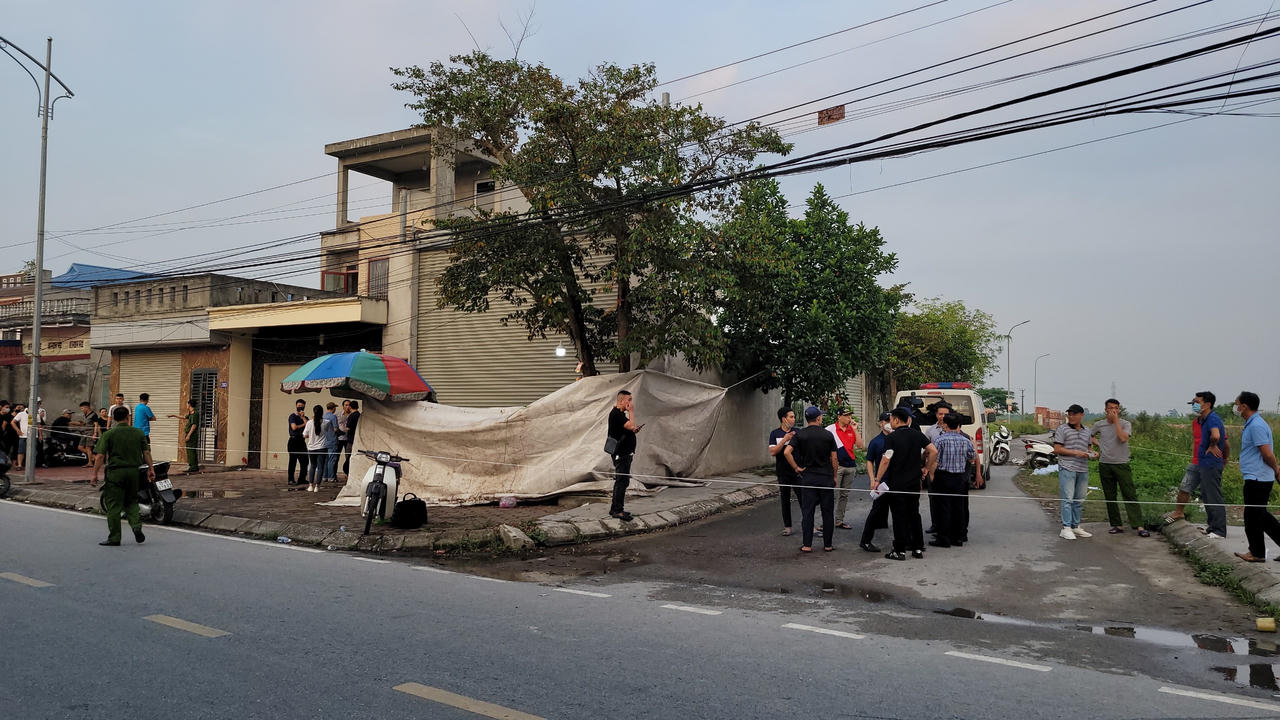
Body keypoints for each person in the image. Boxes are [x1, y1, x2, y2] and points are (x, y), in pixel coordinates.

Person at [873, 407, 937, 560]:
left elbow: (886, 459)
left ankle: (899, 550)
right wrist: (926, 468)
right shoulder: (917, 435)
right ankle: (918, 548)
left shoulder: (891, 438)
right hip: (914, 483)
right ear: (908, 420)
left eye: (891, 420)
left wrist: (877, 479)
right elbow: (933, 451)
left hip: (898, 483)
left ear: (895, 420)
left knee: (899, 516)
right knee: (914, 514)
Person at [90, 406, 154, 546]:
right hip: (133, 473)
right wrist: (151, 468)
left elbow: (100, 456)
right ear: (127, 417)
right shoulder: (138, 433)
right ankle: (136, 526)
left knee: (114, 505)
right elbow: (147, 453)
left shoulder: (109, 434)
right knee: (131, 502)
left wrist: (94, 473)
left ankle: (114, 537)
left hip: (115, 473)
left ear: (113, 418)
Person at [1167, 391, 1227, 533]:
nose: (1193, 405)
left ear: (1207, 404)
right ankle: (1182, 514)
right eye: (1192, 403)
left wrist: (1224, 457)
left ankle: (1218, 530)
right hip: (1198, 460)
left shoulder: (1212, 419)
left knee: (1212, 496)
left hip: (1209, 462)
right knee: (1191, 489)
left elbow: (1219, 438)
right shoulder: (1198, 421)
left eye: (1196, 402)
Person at [1090, 399, 1149, 537]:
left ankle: (1139, 525)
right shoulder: (1099, 424)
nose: (1113, 411)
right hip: (1105, 463)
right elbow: (1090, 436)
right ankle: (1117, 524)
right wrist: (1099, 445)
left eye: (1116, 408)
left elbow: (1123, 438)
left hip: (1121, 463)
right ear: (1105, 410)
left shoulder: (1125, 424)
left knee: (1129, 494)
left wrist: (1116, 421)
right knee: (1110, 495)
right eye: (1110, 408)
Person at [783, 405, 839, 553]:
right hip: (825, 477)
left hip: (808, 477)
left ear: (807, 419)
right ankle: (828, 545)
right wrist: (834, 475)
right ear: (819, 418)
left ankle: (807, 545)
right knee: (827, 512)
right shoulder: (827, 435)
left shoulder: (800, 435)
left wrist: (796, 467)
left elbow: (787, 452)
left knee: (808, 512)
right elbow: (834, 458)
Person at [1233, 392, 1280, 563]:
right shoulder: (1252, 424)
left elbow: (1267, 453)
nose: (1236, 407)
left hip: (1258, 478)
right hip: (1256, 476)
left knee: (1253, 517)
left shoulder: (1256, 426)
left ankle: (1257, 553)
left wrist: (1276, 469)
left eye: (1237, 404)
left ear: (1244, 406)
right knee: (1261, 516)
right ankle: (1257, 551)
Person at [1052, 404, 1098, 540]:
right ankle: (1066, 528)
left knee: (1079, 499)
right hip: (1067, 467)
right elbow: (1057, 449)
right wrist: (1076, 452)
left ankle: (1075, 526)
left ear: (1081, 415)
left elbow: (1088, 449)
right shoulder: (1062, 429)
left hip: (1082, 468)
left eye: (1074, 414)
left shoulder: (1087, 431)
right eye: (1069, 414)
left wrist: (1092, 453)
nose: (1071, 417)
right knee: (1068, 499)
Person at [859, 412, 893, 553]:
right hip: (882, 483)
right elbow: (869, 460)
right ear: (880, 423)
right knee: (876, 511)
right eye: (886, 421)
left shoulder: (896, 438)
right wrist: (873, 479)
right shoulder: (876, 441)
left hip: (897, 481)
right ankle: (865, 541)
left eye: (890, 420)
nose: (888, 423)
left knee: (901, 512)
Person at [606, 390, 641, 522]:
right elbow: (631, 425)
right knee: (621, 481)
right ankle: (617, 510)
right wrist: (631, 412)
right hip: (621, 454)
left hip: (625, 453)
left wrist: (634, 429)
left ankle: (616, 508)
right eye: (629, 400)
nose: (630, 403)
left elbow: (630, 428)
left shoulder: (620, 414)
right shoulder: (616, 414)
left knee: (623, 481)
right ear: (621, 401)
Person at [826, 408, 861, 531]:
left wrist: (856, 430)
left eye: (850, 415)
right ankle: (827, 521)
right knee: (833, 494)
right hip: (838, 466)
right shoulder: (831, 429)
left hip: (850, 465)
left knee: (844, 495)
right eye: (846, 416)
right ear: (839, 416)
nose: (849, 418)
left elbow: (860, 446)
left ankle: (839, 520)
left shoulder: (852, 429)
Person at [768, 407, 799, 536]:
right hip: (783, 472)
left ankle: (811, 526)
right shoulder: (775, 434)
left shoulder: (798, 432)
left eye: (794, 417)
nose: (793, 419)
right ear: (784, 419)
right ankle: (788, 527)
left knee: (804, 499)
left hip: (797, 471)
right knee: (785, 500)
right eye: (791, 417)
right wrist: (785, 439)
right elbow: (773, 452)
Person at [923, 401, 952, 535]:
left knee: (948, 498)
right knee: (933, 497)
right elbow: (925, 450)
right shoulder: (930, 431)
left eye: (945, 414)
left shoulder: (954, 430)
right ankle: (935, 524)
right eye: (940, 414)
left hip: (949, 469)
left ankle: (948, 526)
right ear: (936, 415)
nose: (942, 416)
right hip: (933, 468)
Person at [168, 399, 200, 474]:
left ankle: (193, 466)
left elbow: (194, 425)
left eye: (187, 404)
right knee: (190, 450)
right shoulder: (191, 413)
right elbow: (184, 417)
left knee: (191, 451)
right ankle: (193, 465)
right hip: (190, 434)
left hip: (192, 435)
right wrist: (174, 415)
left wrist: (188, 435)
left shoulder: (195, 414)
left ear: (189, 405)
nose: (186, 405)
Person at [302, 404, 326, 492]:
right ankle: (317, 486)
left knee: (312, 466)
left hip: (311, 447)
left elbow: (304, 435)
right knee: (320, 467)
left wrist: (311, 435)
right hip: (322, 447)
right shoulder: (326, 422)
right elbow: (330, 433)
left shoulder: (309, 422)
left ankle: (310, 485)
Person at [286, 398, 309, 486]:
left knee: (305, 461)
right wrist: (304, 424)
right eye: (298, 406)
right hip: (293, 440)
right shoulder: (293, 416)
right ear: (296, 406)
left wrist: (303, 417)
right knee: (293, 461)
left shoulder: (305, 418)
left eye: (301, 406)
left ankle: (302, 479)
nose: (300, 407)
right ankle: (291, 479)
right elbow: (294, 427)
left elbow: (308, 426)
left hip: (301, 441)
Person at [322, 402, 340, 486]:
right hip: (332, 440)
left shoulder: (323, 417)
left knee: (325, 460)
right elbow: (335, 429)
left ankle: (324, 477)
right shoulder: (333, 417)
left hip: (324, 441)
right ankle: (331, 477)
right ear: (333, 408)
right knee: (332, 460)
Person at [342, 400, 360, 477]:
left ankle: (348, 473)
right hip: (358, 439)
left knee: (348, 457)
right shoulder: (359, 415)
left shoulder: (351, 416)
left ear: (350, 407)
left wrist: (344, 428)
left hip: (350, 439)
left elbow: (348, 428)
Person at [14, 402, 29, 470]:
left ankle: (29, 465)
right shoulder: (21, 414)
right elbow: (13, 422)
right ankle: (19, 465)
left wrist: (40, 434)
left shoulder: (36, 414)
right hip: (23, 436)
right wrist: (17, 430)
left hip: (32, 436)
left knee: (31, 451)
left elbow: (39, 424)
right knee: (21, 451)